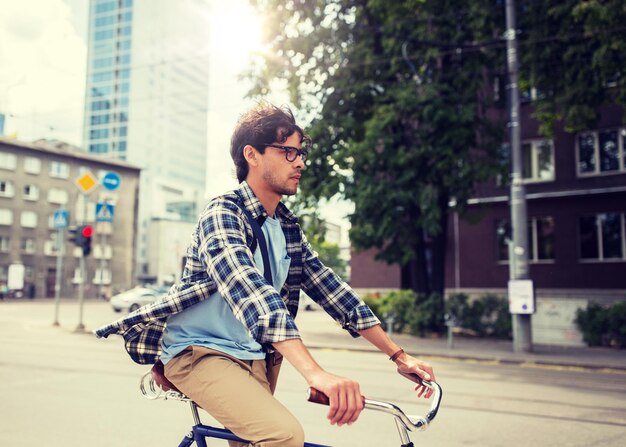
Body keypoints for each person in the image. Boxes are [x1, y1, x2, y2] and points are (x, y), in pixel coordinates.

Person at [95, 102, 436, 447]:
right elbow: (251, 293)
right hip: (200, 354)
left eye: (300, 153)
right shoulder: (223, 214)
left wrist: (398, 355)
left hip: (257, 358)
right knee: (284, 435)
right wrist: (315, 372)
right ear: (252, 155)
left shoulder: (286, 227)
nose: (300, 162)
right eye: (288, 151)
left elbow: (333, 292)